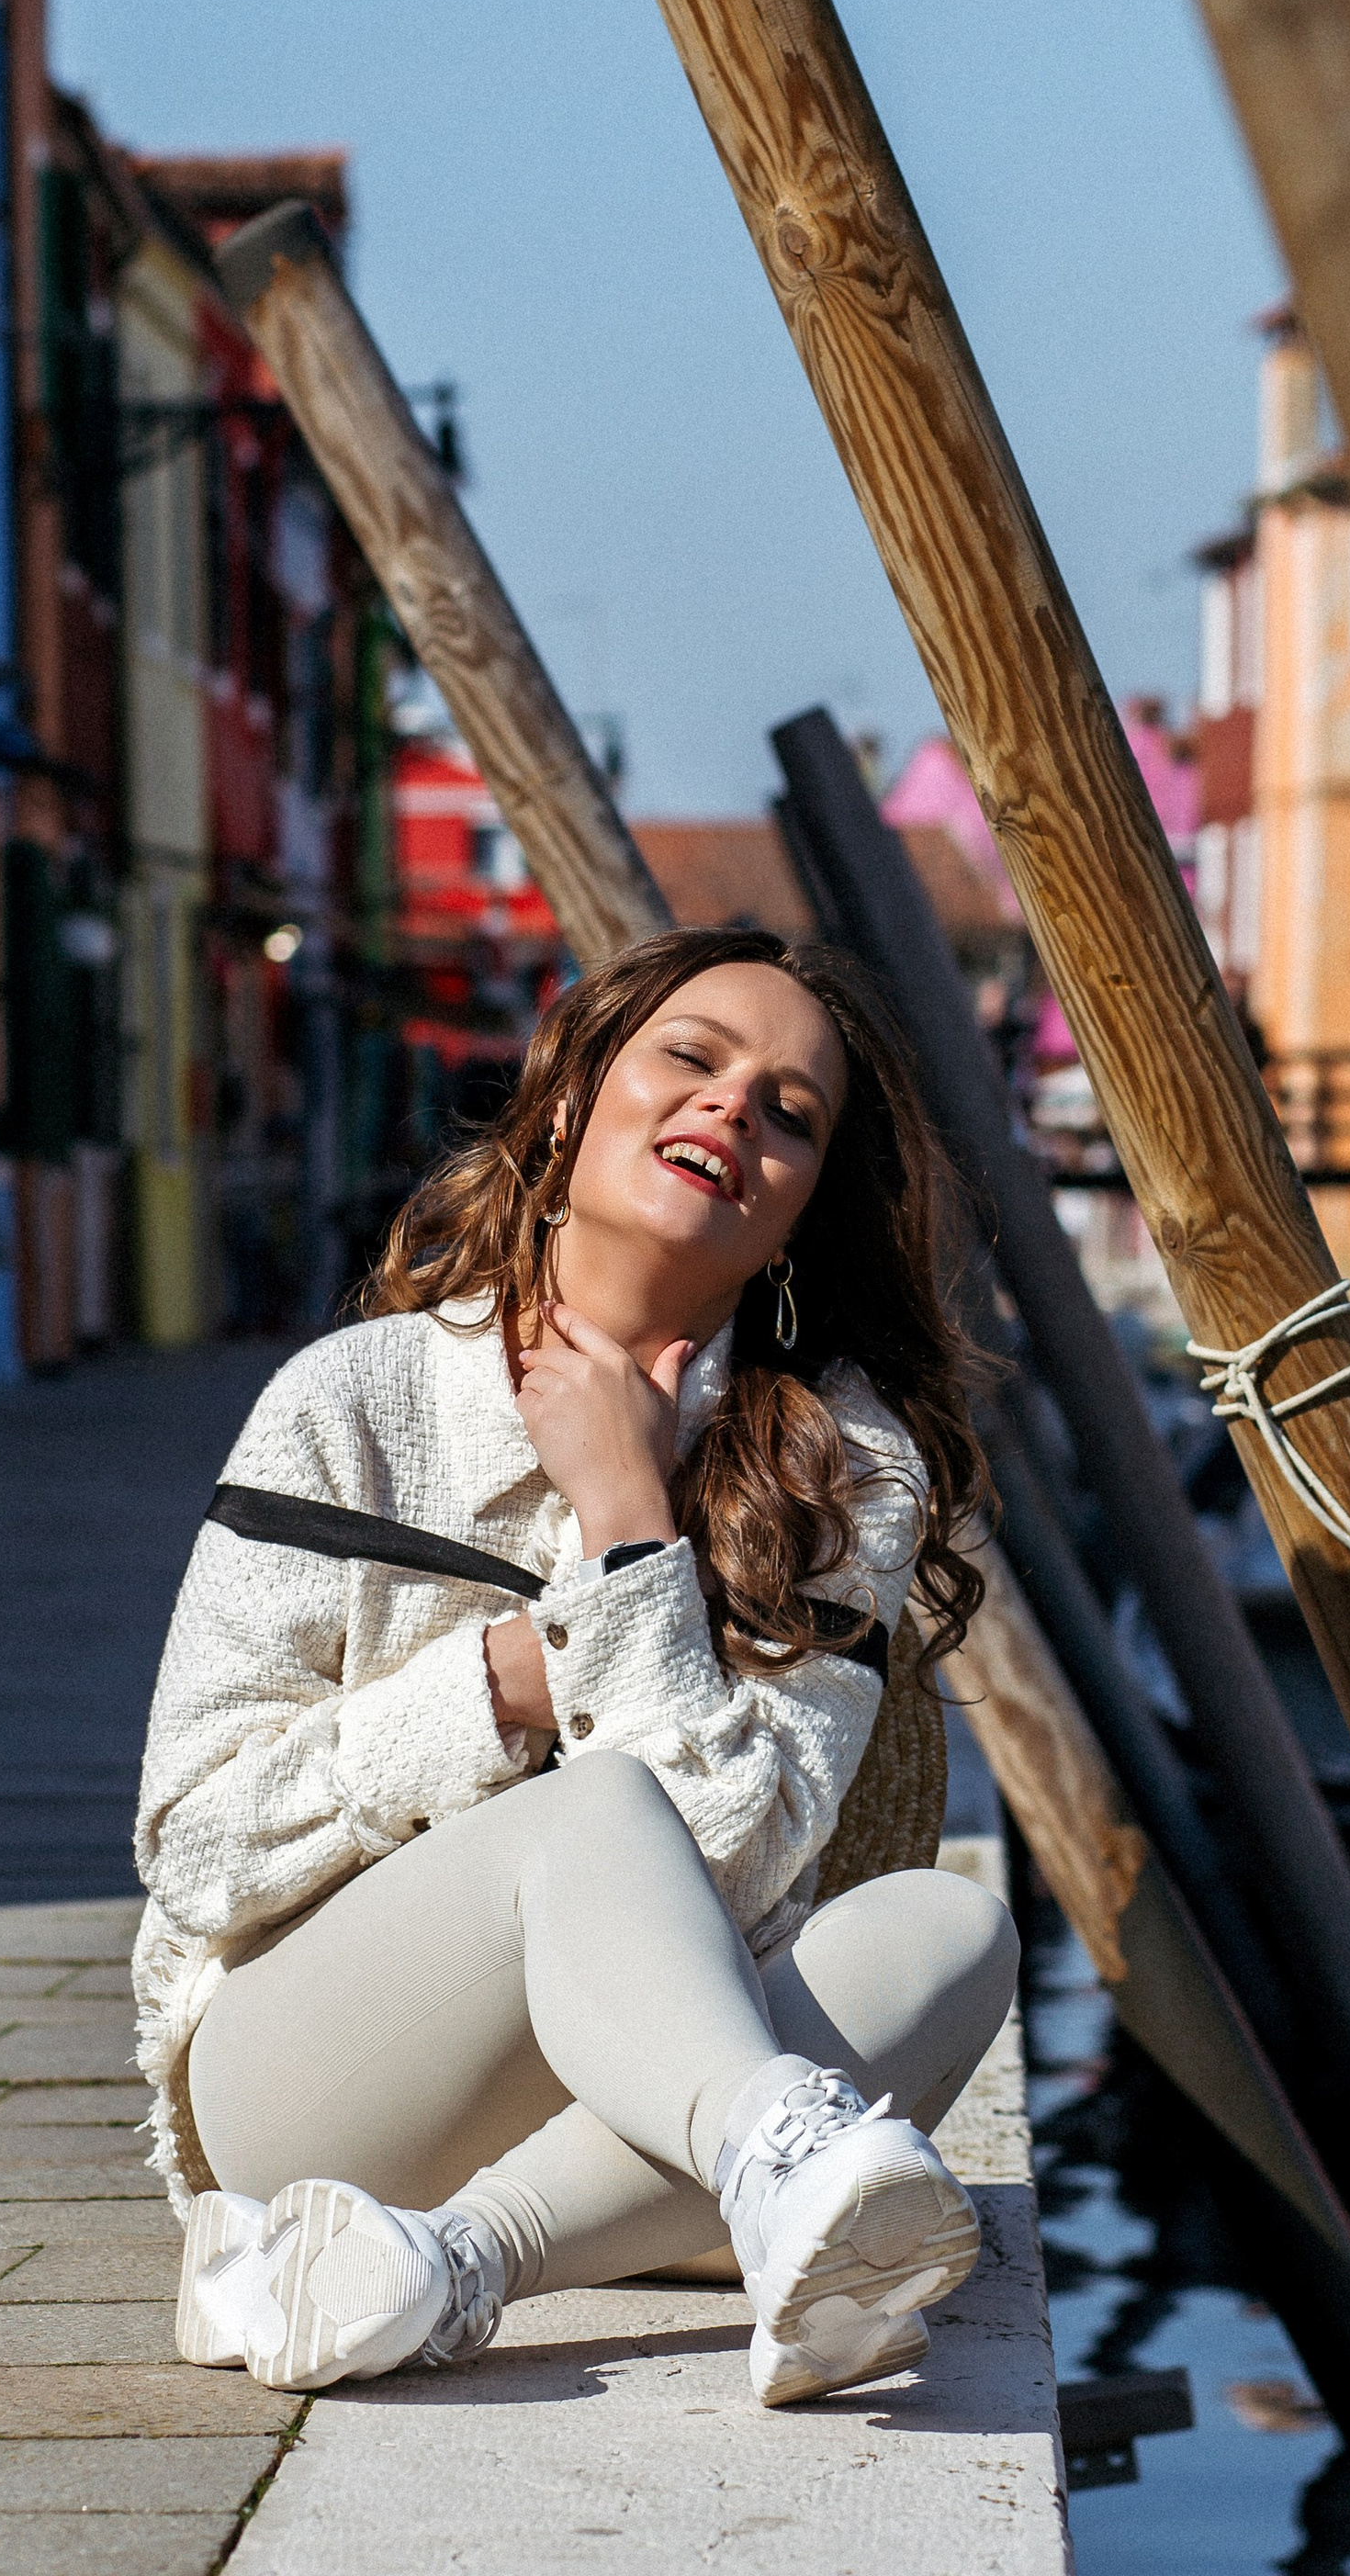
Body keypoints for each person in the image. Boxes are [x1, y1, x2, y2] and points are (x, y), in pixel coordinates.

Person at [133, 927, 1015, 2411]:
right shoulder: (355, 1401)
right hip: (322, 2080)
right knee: (599, 1812)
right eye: (693, 1059)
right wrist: (514, 1680)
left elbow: (743, 1869)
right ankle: (774, 2155)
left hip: (635, 2095)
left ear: (797, 1218)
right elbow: (196, 1847)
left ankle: (451, 2263)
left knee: (950, 1931)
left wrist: (627, 1523)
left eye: (791, 1113)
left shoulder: (843, 1467)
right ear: (564, 1105)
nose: (734, 1108)